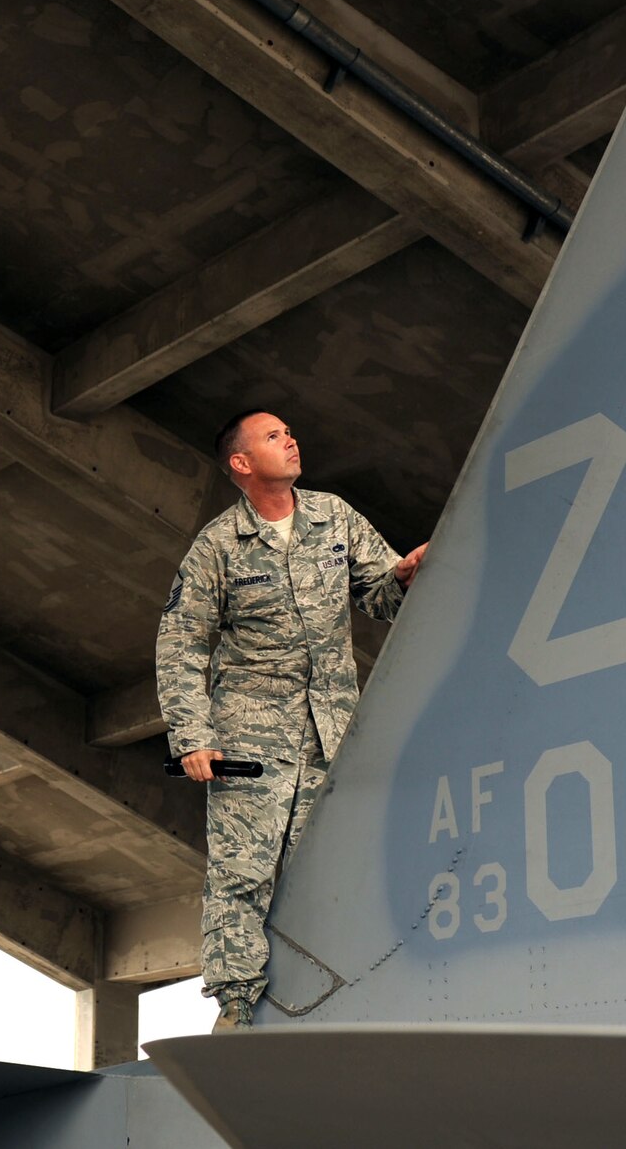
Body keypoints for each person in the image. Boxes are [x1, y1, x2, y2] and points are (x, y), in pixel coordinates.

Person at [156, 410, 425, 1032]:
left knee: (331, 865)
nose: (291, 439)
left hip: (332, 734)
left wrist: (406, 575)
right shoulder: (219, 547)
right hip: (248, 740)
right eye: (274, 436)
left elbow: (379, 597)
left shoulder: (335, 517)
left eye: (289, 432)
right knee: (243, 871)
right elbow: (180, 643)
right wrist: (193, 736)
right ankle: (236, 1004)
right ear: (242, 465)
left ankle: (337, 998)